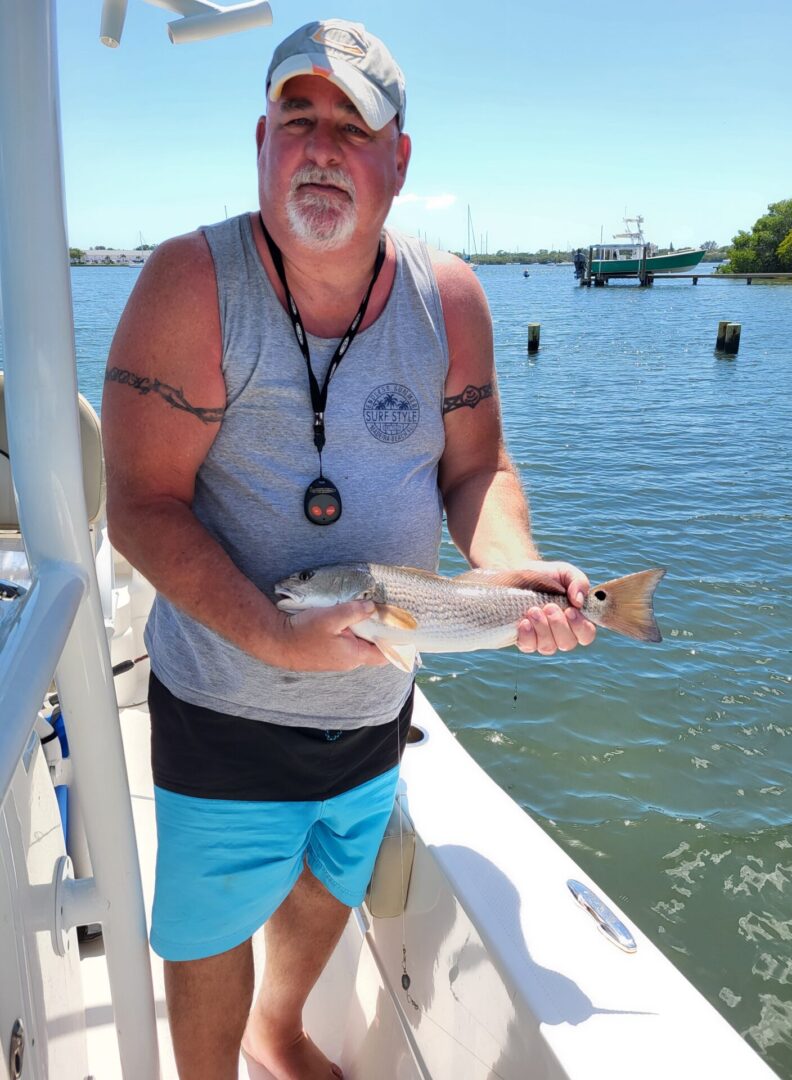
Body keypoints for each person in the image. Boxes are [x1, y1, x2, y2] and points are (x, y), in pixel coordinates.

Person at [101, 18, 596, 1080]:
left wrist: (505, 565)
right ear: (263, 142)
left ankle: (279, 1034)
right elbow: (141, 505)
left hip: (379, 699)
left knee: (333, 878)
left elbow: (477, 470)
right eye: (298, 118)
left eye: (353, 124)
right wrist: (273, 644)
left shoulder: (448, 297)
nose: (321, 147)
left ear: (398, 158)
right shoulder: (189, 284)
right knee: (205, 929)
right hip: (224, 706)